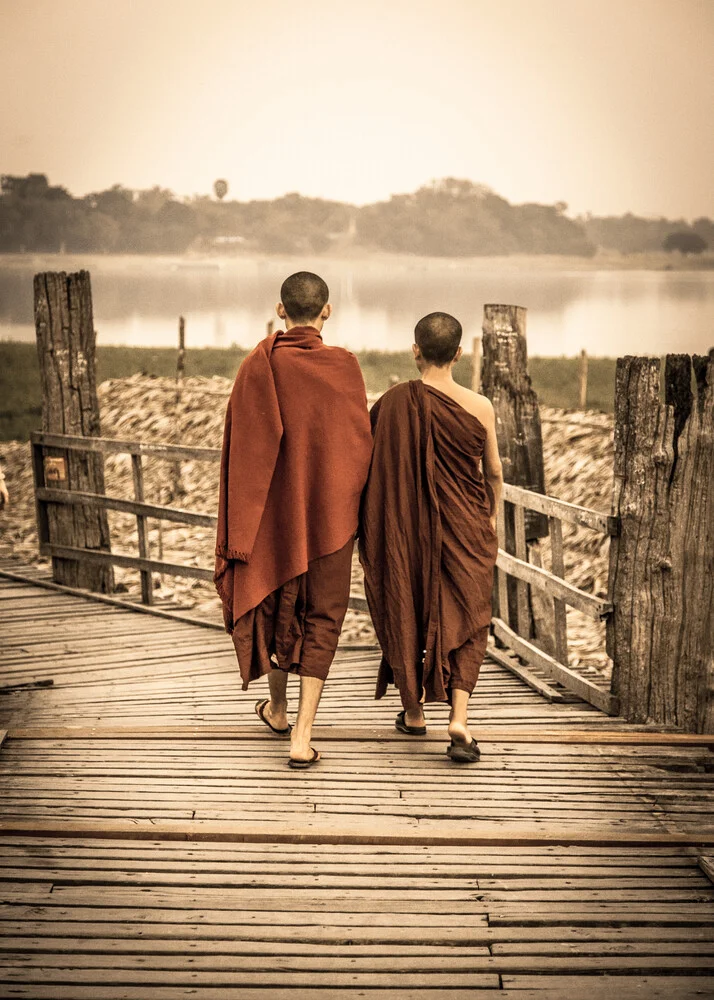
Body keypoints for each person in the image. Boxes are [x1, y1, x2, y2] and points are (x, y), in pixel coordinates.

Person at [215, 272, 372, 768]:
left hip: (275, 521)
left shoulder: (256, 367)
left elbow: (240, 450)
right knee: (322, 618)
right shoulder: (345, 366)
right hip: (330, 519)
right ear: (327, 312)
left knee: (279, 604)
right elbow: (358, 445)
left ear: (280, 310)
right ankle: (299, 734)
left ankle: (279, 707)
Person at [359, 312, 503, 763]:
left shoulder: (390, 403)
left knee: (404, 603)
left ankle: (414, 712)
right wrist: (492, 517)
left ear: (415, 350)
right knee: (470, 617)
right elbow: (494, 472)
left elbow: (372, 472)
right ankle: (458, 718)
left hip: (407, 531)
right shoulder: (480, 406)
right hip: (466, 527)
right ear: (459, 353)